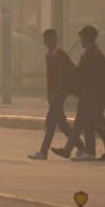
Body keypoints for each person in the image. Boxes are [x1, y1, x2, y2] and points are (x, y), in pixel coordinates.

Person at [64, 26, 105, 161]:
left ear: (88, 38)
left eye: (82, 38)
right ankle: (93, 150)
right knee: (93, 121)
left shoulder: (92, 54)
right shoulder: (92, 53)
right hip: (90, 94)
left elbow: (88, 76)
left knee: (89, 121)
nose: (81, 41)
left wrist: (74, 73)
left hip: (91, 95)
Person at [29, 29, 83, 160]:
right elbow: (50, 78)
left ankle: (43, 151)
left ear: (54, 39)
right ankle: (81, 146)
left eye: (49, 39)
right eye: (45, 40)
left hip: (59, 93)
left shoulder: (60, 55)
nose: (46, 42)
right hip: (54, 94)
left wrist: (59, 92)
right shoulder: (49, 55)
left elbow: (63, 76)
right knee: (61, 123)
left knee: (51, 124)